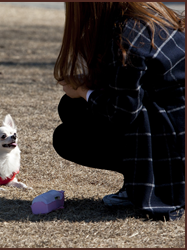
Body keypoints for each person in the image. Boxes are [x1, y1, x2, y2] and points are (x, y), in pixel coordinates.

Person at [53, 2, 185, 221]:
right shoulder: (152, 14)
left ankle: (145, 183)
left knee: (66, 137)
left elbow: (124, 111)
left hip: (172, 154)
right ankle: (137, 180)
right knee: (70, 107)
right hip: (177, 126)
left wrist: (85, 91)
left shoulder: (127, 35)